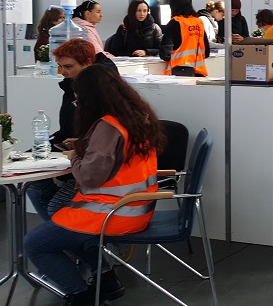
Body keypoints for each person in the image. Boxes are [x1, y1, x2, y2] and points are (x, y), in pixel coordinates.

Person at [24, 64, 166, 305]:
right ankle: (105, 278)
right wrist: (86, 146)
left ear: (91, 98)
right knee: (61, 226)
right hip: (136, 209)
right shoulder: (136, 118)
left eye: (78, 98)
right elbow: (116, 161)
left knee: (35, 244)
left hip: (110, 213)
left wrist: (75, 156)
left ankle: (81, 296)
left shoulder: (108, 127)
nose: (77, 103)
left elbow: (89, 177)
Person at [25, 39, 118, 222]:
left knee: (56, 208)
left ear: (88, 64)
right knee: (34, 185)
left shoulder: (102, 95)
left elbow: (103, 142)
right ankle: (61, 232)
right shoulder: (71, 88)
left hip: (93, 166)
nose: (63, 72)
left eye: (68, 66)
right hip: (79, 153)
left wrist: (79, 147)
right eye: (60, 66)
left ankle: (64, 233)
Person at [160, 0, 210, 76]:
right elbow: (206, 51)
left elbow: (165, 53)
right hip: (199, 71)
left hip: (179, 71)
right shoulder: (198, 22)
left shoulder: (175, 22)